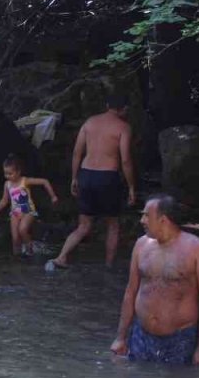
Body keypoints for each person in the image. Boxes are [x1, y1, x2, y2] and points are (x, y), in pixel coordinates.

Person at [110, 195, 199, 365]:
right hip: (141, 334)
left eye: (146, 215)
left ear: (163, 220)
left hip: (180, 338)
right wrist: (120, 337)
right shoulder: (141, 245)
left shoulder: (197, 249)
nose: (142, 220)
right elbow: (131, 291)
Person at [48, 95, 137, 269]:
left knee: (84, 225)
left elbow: (76, 153)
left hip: (86, 175)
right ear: (124, 109)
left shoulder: (89, 122)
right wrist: (132, 187)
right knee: (112, 224)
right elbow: (125, 160)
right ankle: (109, 266)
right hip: (107, 177)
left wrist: (74, 178)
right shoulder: (123, 127)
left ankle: (61, 257)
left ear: (107, 105)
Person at [0, 155, 58, 257]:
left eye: (10, 173)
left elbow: (44, 181)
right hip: (15, 213)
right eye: (6, 173)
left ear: (18, 172)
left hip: (28, 211)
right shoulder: (7, 184)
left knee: (23, 229)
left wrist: (53, 196)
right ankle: (17, 258)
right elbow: (4, 200)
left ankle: (29, 250)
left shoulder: (25, 181)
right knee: (15, 238)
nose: (8, 176)